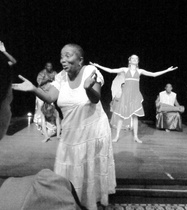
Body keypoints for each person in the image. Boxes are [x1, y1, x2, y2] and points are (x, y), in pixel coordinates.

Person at [13, 43, 116, 210]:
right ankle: (71, 202)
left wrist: (88, 88)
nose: (63, 60)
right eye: (61, 56)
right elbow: (49, 97)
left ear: (80, 60)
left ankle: (90, 202)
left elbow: (95, 98)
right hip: (70, 132)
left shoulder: (91, 72)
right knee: (68, 168)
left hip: (92, 129)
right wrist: (33, 88)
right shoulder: (61, 77)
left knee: (89, 168)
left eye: (68, 56)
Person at [0, 46, 80, 209]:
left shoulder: (61, 76)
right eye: (9, 103)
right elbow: (46, 91)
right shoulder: (41, 190)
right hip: (42, 96)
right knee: (42, 116)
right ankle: (46, 133)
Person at [90, 55, 178, 143]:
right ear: (130, 61)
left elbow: (154, 74)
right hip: (126, 96)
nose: (135, 59)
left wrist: (167, 70)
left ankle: (136, 136)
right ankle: (116, 136)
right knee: (121, 116)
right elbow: (111, 70)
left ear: (138, 61)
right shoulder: (125, 70)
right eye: (133, 58)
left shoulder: (140, 71)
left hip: (135, 96)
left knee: (135, 117)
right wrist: (98, 66)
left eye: (136, 58)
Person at [34, 62, 57, 129]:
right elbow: (39, 82)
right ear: (45, 67)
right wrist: (47, 79)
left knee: (51, 106)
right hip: (41, 91)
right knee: (40, 106)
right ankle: (37, 121)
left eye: (50, 66)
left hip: (50, 92)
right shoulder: (42, 73)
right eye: (48, 66)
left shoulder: (54, 73)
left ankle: (51, 121)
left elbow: (58, 80)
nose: (49, 67)